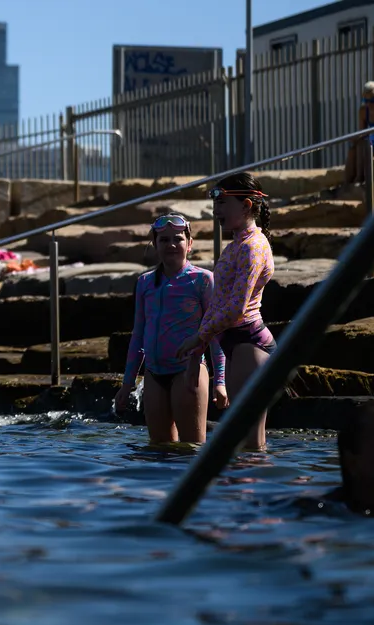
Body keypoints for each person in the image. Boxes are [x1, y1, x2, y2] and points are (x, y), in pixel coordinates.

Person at [177, 172, 276, 450]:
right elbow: (217, 302)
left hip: (250, 344)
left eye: (222, 203)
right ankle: (242, 493)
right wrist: (199, 348)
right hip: (236, 345)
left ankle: (260, 493)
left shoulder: (254, 246)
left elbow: (236, 308)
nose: (215, 210)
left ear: (246, 205)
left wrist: (199, 338)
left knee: (251, 443)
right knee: (240, 441)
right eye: (215, 203)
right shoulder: (237, 245)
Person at [115, 212, 228, 444]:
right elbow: (138, 336)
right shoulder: (145, 282)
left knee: (191, 449)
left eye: (178, 238)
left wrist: (220, 382)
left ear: (189, 244)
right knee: (159, 450)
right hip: (154, 374)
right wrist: (127, 385)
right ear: (155, 244)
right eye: (164, 240)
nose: (172, 244)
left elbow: (216, 335)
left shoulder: (202, 280)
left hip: (188, 372)